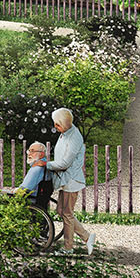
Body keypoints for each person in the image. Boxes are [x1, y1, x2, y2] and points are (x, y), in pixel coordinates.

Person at [48, 107, 94, 256]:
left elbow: (64, 163)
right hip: (66, 179)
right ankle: (87, 237)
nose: (55, 127)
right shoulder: (65, 133)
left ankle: (68, 248)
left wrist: (46, 164)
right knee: (61, 211)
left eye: (57, 124)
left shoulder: (74, 138)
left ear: (64, 123)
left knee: (67, 213)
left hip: (71, 180)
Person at [10, 141, 58, 247]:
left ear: (41, 154)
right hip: (41, 199)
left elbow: (25, 188)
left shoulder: (37, 168)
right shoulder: (46, 166)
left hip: (32, 199)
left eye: (32, 151)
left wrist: (13, 191)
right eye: (29, 151)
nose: (29, 154)